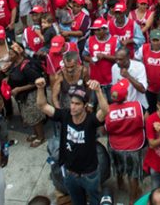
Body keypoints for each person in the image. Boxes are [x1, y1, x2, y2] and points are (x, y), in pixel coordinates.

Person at [35, 77, 109, 205]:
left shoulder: (91, 120)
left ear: (85, 106)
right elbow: (42, 105)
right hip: (70, 173)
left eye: (77, 104)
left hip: (89, 174)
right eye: (72, 103)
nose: (73, 107)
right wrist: (40, 88)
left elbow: (105, 110)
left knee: (95, 201)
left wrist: (98, 91)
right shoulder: (65, 115)